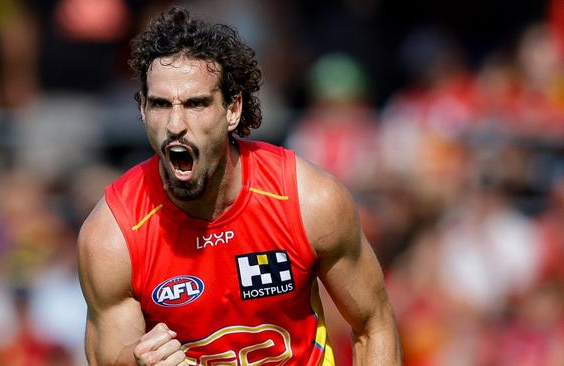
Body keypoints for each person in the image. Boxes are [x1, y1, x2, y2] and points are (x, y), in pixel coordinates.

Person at [78, 6, 401, 366]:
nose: (175, 124)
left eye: (196, 103)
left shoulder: (309, 200)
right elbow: (108, 358)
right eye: (159, 104)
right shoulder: (112, 235)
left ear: (233, 109)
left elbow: (374, 325)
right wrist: (139, 363)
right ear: (142, 110)